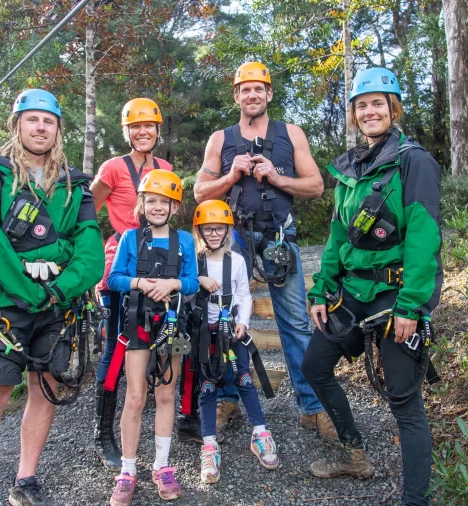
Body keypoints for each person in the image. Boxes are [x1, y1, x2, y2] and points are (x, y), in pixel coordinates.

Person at [302, 67, 442, 506]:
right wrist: (322, 289)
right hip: (351, 294)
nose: (369, 111)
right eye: (361, 105)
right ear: (353, 115)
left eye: (378, 103)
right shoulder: (351, 169)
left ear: (393, 108)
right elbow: (338, 235)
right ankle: (356, 453)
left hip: (395, 297)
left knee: (404, 400)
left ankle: (414, 500)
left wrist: (413, 305)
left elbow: (424, 235)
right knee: (314, 367)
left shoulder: (413, 161)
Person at [0, 89, 103, 506]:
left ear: (58, 129)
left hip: (59, 304)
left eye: (48, 121)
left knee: (45, 388)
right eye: (32, 119)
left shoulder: (75, 185)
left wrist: (57, 290)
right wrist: (27, 290)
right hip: (7, 304)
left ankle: (26, 479)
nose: (40, 127)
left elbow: (89, 248)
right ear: (17, 124)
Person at [193, 61, 335, 442]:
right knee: (220, 318)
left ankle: (313, 406)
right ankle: (227, 398)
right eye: (245, 90)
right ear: (236, 96)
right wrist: (230, 175)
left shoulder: (290, 133)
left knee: (294, 322)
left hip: (277, 238)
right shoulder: (220, 140)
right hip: (231, 240)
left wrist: (276, 177)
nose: (252, 95)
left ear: (269, 94)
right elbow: (199, 193)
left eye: (259, 89)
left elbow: (316, 186)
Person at [90, 99, 201, 471]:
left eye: (149, 126)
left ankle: (179, 417)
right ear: (127, 131)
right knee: (116, 346)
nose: (143, 132)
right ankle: (104, 430)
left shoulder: (165, 169)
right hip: (126, 255)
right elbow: (87, 213)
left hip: (164, 262)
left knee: (170, 336)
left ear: (157, 131)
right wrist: (99, 260)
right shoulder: (112, 169)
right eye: (136, 126)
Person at [104, 170, 199, 505]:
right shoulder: (131, 239)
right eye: (152, 201)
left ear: (174, 208)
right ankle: (127, 471)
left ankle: (161, 465)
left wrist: (173, 284)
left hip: (172, 322)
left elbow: (193, 282)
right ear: (142, 204)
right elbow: (114, 278)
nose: (158, 207)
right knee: (134, 396)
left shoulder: (185, 240)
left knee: (166, 394)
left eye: (165, 203)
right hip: (138, 324)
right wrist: (142, 284)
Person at [189, 199, 279, 484]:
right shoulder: (194, 262)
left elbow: (244, 294)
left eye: (220, 229)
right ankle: (209, 444)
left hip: (232, 330)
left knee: (244, 379)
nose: (214, 234)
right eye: (208, 229)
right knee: (206, 385)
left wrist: (243, 322)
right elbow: (184, 286)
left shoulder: (237, 261)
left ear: (228, 231)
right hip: (205, 333)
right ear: (200, 231)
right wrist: (198, 279)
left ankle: (260, 433)